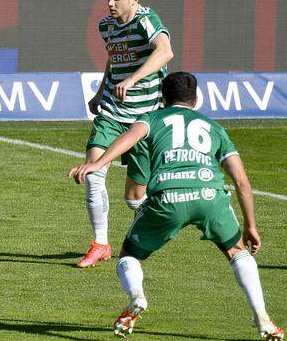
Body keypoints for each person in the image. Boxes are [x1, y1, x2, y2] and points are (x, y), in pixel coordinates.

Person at [68, 72, 284, 340]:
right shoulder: (214, 127)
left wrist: (97, 164)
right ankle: (263, 317)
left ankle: (137, 296)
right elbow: (242, 182)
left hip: (167, 199)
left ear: (163, 97)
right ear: (195, 100)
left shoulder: (151, 118)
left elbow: (129, 138)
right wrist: (251, 226)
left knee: (129, 256)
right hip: (209, 198)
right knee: (237, 251)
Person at [76, 0, 174, 267]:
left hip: (144, 119)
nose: (109, 3)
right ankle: (100, 244)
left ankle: (148, 232)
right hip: (112, 113)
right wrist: (101, 91)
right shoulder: (106, 25)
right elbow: (114, 57)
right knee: (93, 173)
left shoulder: (146, 19)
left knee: (134, 199)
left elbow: (165, 52)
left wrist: (132, 79)